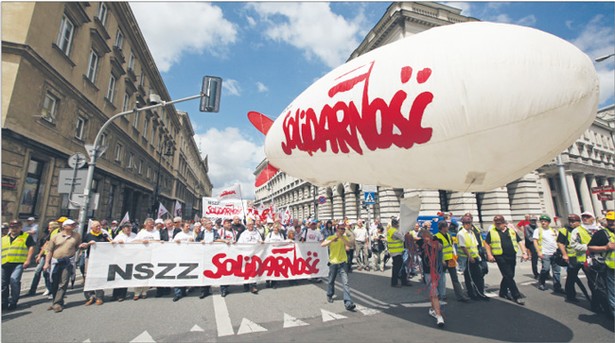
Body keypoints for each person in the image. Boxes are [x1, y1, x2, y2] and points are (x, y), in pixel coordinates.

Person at [484, 215, 528, 305]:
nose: (497, 225)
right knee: (508, 275)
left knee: (509, 275)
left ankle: (503, 292)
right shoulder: (492, 232)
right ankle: (516, 296)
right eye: (496, 223)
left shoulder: (511, 231)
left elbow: (519, 241)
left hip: (512, 255)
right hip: (500, 256)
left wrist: (524, 253)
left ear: (504, 223)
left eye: (499, 223)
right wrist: (489, 255)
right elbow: (487, 243)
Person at [43, 219, 81, 313]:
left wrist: (76, 254)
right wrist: (46, 263)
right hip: (56, 261)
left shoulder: (76, 236)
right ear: (64, 226)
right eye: (70, 225)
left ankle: (58, 303)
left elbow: (77, 246)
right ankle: (55, 301)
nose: (73, 226)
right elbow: (50, 251)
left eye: (73, 225)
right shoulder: (55, 237)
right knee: (54, 281)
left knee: (64, 282)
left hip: (67, 262)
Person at [321, 221, 356, 311]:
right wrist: (333, 239)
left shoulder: (344, 237)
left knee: (345, 283)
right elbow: (322, 244)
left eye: (344, 229)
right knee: (331, 280)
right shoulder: (331, 237)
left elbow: (349, 245)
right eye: (341, 229)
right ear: (337, 229)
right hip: (333, 262)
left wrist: (341, 238)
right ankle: (329, 294)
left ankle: (348, 302)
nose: (343, 230)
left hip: (343, 263)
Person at [2, 220, 35, 311]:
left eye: (16, 227)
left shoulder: (26, 236)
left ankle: (13, 302)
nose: (14, 229)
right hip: (4, 263)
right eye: (12, 227)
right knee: (3, 284)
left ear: (20, 227)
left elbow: (31, 247)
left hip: (18, 263)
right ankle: (4, 302)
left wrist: (28, 260)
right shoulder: (4, 238)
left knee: (14, 281)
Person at [557, 213, 591, 303]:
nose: (571, 223)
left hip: (584, 256)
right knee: (571, 277)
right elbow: (560, 243)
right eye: (570, 221)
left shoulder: (583, 230)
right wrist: (565, 254)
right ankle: (570, 295)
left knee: (590, 277)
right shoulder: (564, 230)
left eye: (573, 221)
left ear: (578, 222)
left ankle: (594, 297)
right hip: (572, 257)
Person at [587, 211, 615, 318]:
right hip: (612, 269)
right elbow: (590, 247)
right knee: (613, 296)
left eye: (614, 221)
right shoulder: (602, 233)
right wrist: (606, 248)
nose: (612, 223)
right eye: (610, 221)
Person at [417, 229, 445, 327]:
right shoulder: (421, 242)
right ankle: (439, 316)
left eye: (425, 235)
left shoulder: (437, 240)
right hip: (429, 272)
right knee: (434, 294)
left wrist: (429, 241)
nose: (424, 237)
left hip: (438, 271)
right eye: (422, 236)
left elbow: (439, 247)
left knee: (438, 293)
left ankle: (433, 309)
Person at [436, 221, 470, 302]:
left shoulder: (448, 235)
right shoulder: (436, 236)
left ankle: (460, 296)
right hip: (442, 261)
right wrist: (441, 260)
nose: (448, 228)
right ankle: (441, 295)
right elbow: (437, 251)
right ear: (443, 228)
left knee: (455, 278)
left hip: (451, 260)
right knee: (441, 279)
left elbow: (451, 247)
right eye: (447, 227)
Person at [457, 215, 488, 301]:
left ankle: (480, 293)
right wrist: (469, 256)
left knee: (478, 275)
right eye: (466, 223)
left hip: (475, 257)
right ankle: (471, 293)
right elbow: (463, 247)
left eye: (469, 223)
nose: (468, 224)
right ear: (463, 224)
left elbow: (476, 244)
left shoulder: (472, 232)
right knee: (469, 277)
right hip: (467, 259)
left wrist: (478, 255)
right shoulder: (461, 233)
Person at [81, 220, 112, 305]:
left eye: (99, 226)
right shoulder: (88, 236)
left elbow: (110, 245)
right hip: (90, 259)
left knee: (98, 277)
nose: (99, 228)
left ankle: (99, 297)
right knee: (87, 277)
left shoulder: (104, 235)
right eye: (97, 226)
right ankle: (90, 296)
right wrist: (87, 244)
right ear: (92, 228)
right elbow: (82, 247)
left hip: (101, 260)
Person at [533, 214, 563, 293]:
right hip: (545, 253)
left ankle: (557, 286)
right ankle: (541, 282)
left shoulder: (553, 230)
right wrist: (538, 251)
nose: (543, 223)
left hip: (555, 252)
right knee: (545, 269)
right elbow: (535, 241)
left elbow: (558, 241)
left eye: (545, 221)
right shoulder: (538, 230)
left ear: (548, 222)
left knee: (557, 270)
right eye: (542, 221)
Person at [133, 218, 160, 300]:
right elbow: (134, 241)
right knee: (139, 274)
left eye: (153, 224)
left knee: (148, 273)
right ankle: (137, 292)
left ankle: (144, 291)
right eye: (150, 224)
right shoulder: (141, 232)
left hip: (151, 255)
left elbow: (158, 241)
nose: (152, 225)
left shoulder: (156, 232)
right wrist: (142, 241)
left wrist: (149, 242)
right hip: (141, 255)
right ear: (145, 224)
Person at [196, 218, 224, 298]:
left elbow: (217, 239)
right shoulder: (202, 233)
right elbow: (196, 241)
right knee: (204, 272)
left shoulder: (215, 232)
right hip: (204, 254)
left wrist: (221, 241)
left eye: (211, 224)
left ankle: (222, 288)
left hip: (213, 254)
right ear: (205, 226)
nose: (211, 225)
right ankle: (204, 291)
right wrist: (200, 241)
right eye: (209, 224)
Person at [28, 220, 56, 297]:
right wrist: (40, 254)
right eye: (49, 227)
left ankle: (49, 288)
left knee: (46, 272)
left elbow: (48, 245)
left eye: (50, 227)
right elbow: (44, 245)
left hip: (51, 255)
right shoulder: (46, 234)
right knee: (38, 271)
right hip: (44, 255)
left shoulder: (55, 234)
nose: (49, 229)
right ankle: (32, 290)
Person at [110, 223, 137, 301]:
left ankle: (122, 295)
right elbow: (112, 244)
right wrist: (118, 242)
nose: (128, 229)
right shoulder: (119, 236)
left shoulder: (134, 235)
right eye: (126, 227)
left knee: (126, 277)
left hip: (130, 259)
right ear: (123, 229)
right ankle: (115, 294)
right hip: (120, 259)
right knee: (118, 277)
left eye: (129, 227)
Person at [236, 220, 262, 294]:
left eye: (252, 224)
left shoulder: (257, 233)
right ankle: (246, 285)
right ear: (247, 226)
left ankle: (253, 286)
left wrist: (261, 242)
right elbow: (240, 244)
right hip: (246, 255)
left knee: (254, 269)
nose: (251, 226)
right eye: (249, 225)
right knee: (246, 270)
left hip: (255, 254)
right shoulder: (243, 234)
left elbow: (260, 241)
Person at [172, 222, 195, 301]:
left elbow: (197, 244)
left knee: (186, 274)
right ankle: (177, 293)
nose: (188, 227)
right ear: (182, 227)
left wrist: (193, 241)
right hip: (179, 257)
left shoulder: (192, 234)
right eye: (187, 226)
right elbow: (171, 243)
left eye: (189, 226)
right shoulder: (179, 235)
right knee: (178, 275)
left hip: (189, 257)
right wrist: (176, 242)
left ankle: (184, 290)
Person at [387, 218, 409, 287]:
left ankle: (403, 281)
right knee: (397, 268)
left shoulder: (390, 230)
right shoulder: (395, 231)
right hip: (396, 252)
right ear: (396, 224)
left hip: (395, 252)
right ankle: (395, 282)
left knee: (401, 267)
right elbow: (403, 238)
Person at [218, 218, 236, 297]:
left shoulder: (234, 232)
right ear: (224, 224)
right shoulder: (220, 231)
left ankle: (227, 285)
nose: (229, 224)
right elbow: (215, 239)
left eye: (230, 223)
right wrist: (224, 241)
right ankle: (223, 289)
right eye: (227, 223)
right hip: (222, 254)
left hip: (231, 254)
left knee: (230, 270)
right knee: (223, 271)